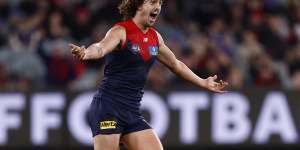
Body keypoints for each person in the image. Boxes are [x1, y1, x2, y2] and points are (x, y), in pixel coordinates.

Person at [69, 0, 228, 149]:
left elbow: (176, 65)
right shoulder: (120, 31)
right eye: (152, 2)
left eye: (159, 2)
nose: (157, 7)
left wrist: (203, 82)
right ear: (138, 5)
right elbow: (100, 48)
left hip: (131, 111)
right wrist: (86, 53)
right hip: (108, 108)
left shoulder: (155, 38)